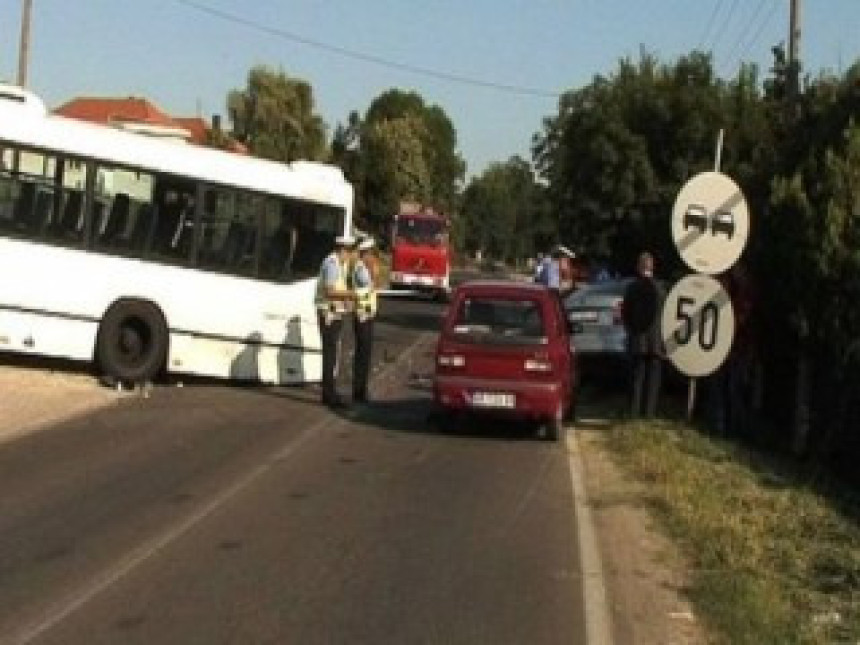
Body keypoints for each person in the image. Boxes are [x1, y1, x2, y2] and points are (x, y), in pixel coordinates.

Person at [315, 235, 357, 409]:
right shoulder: (332, 264)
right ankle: (328, 394)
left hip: (334, 312)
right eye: (349, 251)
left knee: (332, 353)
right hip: (329, 313)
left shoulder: (339, 264)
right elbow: (330, 292)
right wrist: (350, 295)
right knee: (330, 354)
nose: (350, 255)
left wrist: (345, 299)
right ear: (342, 250)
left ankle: (330, 391)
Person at [622, 251, 665, 419]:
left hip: (637, 339)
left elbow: (625, 314)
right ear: (652, 267)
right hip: (657, 341)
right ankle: (649, 414)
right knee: (653, 380)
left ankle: (634, 413)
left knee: (637, 378)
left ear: (639, 267)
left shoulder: (632, 288)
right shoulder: (661, 288)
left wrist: (630, 331)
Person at [351, 235, 379, 404]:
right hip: (362, 314)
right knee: (363, 353)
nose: (372, 257)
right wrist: (374, 274)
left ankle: (361, 388)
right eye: (370, 253)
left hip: (366, 313)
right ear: (365, 253)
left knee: (365, 353)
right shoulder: (361, 269)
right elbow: (370, 287)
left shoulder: (363, 267)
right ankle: (359, 390)